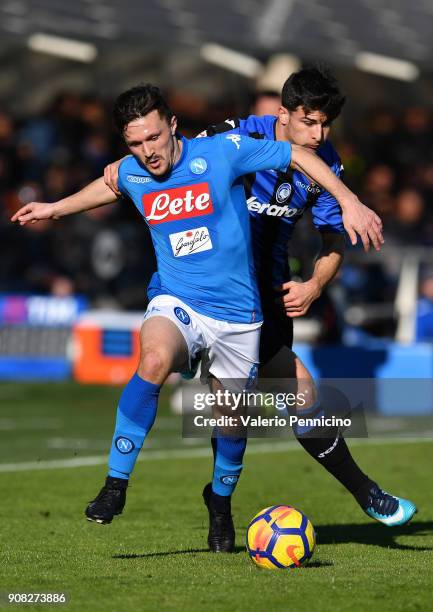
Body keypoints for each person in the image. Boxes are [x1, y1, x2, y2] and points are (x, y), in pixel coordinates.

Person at [11, 83, 375, 542]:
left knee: (231, 418)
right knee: (154, 360)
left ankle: (219, 504)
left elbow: (298, 157)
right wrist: (54, 208)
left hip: (240, 314)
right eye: (135, 144)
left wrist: (348, 200)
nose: (147, 152)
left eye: (153, 139)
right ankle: (114, 485)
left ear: (173, 126)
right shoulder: (132, 170)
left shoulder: (222, 153)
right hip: (177, 299)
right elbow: (112, 184)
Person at [103, 68, 416, 553]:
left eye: (326, 124)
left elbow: (333, 241)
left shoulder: (324, 163)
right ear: (282, 116)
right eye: (310, 122)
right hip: (194, 288)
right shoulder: (236, 136)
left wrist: (315, 283)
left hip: (260, 299)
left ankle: (229, 505)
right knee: (176, 370)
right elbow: (164, 151)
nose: (319, 134)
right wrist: (115, 170)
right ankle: (127, 477)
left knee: (273, 398)